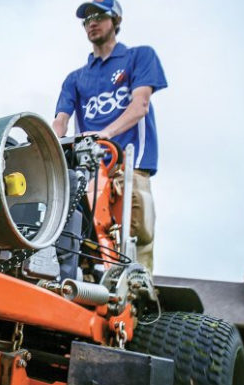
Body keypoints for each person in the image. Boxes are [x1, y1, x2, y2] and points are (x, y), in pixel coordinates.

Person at [52, 0, 167, 273]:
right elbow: (60, 121)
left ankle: (137, 298)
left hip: (129, 164)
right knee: (79, 235)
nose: (92, 22)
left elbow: (140, 105)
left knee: (136, 233)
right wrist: (49, 148)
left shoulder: (139, 57)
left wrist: (105, 134)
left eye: (99, 15)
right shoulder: (76, 78)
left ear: (115, 20)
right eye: (86, 18)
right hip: (89, 169)